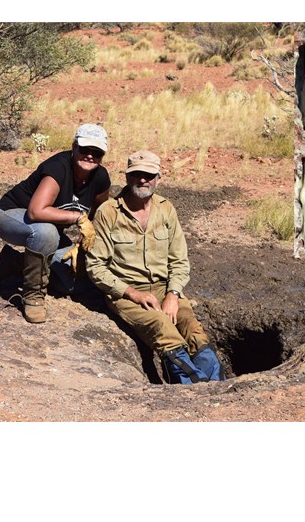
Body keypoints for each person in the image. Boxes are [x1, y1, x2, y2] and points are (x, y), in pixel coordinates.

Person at [86, 150, 224, 384]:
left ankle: (217, 388)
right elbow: (95, 266)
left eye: (149, 175)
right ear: (128, 177)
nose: (143, 180)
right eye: (137, 174)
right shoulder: (108, 213)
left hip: (164, 287)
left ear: (158, 177)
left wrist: (173, 294)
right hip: (127, 293)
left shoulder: (166, 209)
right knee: (164, 328)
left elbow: (179, 260)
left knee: (192, 328)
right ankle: (189, 390)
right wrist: (134, 294)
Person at [0, 123, 111, 323]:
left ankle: (13, 263)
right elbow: (36, 212)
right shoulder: (58, 167)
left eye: (96, 152)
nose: (90, 156)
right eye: (84, 149)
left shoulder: (100, 177)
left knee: (73, 282)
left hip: (49, 229)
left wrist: (84, 240)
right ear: (74, 147)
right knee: (45, 232)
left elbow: (101, 213)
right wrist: (79, 218)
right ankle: (33, 296)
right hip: (10, 217)